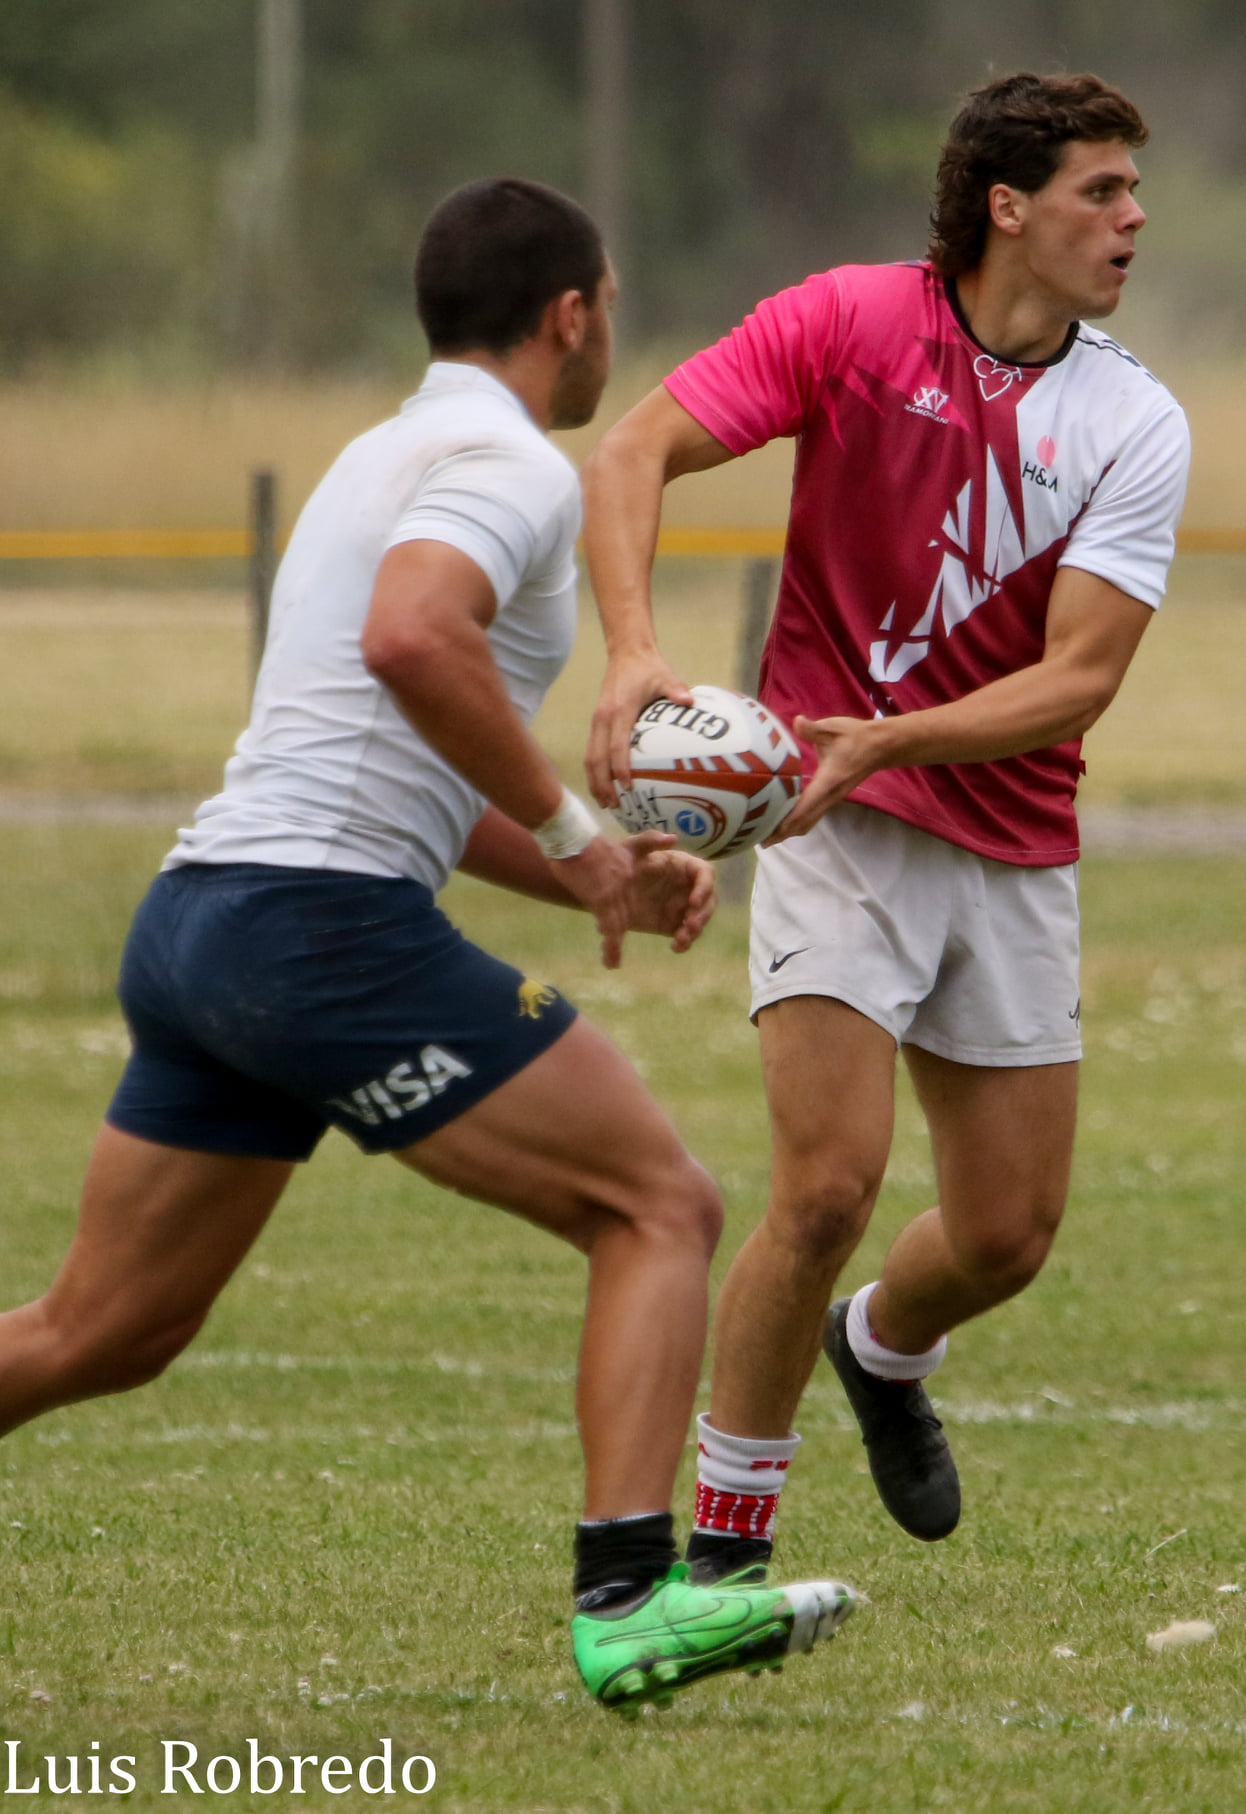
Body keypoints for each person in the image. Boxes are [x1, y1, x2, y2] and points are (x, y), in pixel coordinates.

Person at [0, 177, 853, 1714]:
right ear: (570, 315)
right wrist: (590, 839)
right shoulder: (509, 464)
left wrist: (596, 876)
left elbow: (413, 765)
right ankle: (629, 1600)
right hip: (314, 929)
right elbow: (412, 638)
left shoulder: (378, 452)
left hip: (206, 918)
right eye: (612, 304)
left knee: (98, 1330)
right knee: (659, 1201)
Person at [582, 74, 1191, 1583]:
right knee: (831, 1182)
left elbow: (1079, 680)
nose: (1131, 219)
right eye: (1100, 192)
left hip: (1002, 832)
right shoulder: (851, 324)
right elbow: (632, 449)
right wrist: (636, 653)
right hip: (831, 824)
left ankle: (884, 1345)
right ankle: (719, 1551)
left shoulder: (1134, 418)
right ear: (1009, 206)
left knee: (1007, 1234)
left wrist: (891, 738)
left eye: (1133, 191)